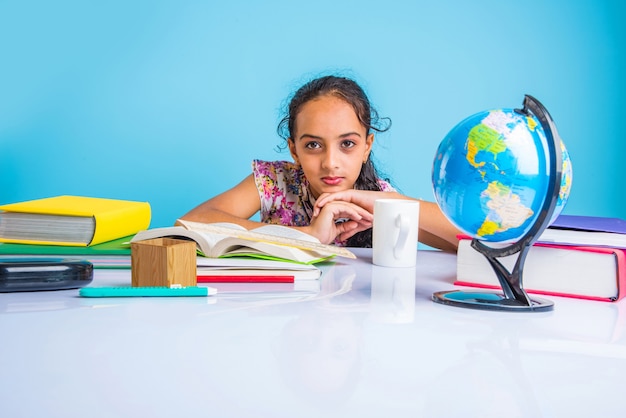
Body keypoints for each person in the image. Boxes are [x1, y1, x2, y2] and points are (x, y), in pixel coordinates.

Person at [180, 75, 460, 251]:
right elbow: (190, 223)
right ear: (294, 150)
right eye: (313, 145)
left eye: (347, 144)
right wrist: (308, 235)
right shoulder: (274, 182)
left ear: (366, 147)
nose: (330, 162)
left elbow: (476, 245)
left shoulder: (380, 201)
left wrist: (392, 203)